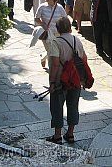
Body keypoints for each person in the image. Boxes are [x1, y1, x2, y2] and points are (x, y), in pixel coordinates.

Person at [46, 16, 87, 145]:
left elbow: (56, 64)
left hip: (60, 80)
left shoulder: (55, 42)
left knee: (57, 107)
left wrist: (52, 82)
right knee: (73, 106)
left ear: (57, 29)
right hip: (74, 80)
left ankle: (57, 135)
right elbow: (84, 58)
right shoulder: (76, 40)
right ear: (69, 27)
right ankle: (70, 134)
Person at [35, 0, 68, 68]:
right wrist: (43, 24)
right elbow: (36, 18)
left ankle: (43, 57)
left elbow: (65, 19)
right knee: (51, 50)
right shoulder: (42, 7)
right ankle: (53, 68)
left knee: (54, 51)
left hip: (57, 33)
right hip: (47, 33)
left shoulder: (60, 8)